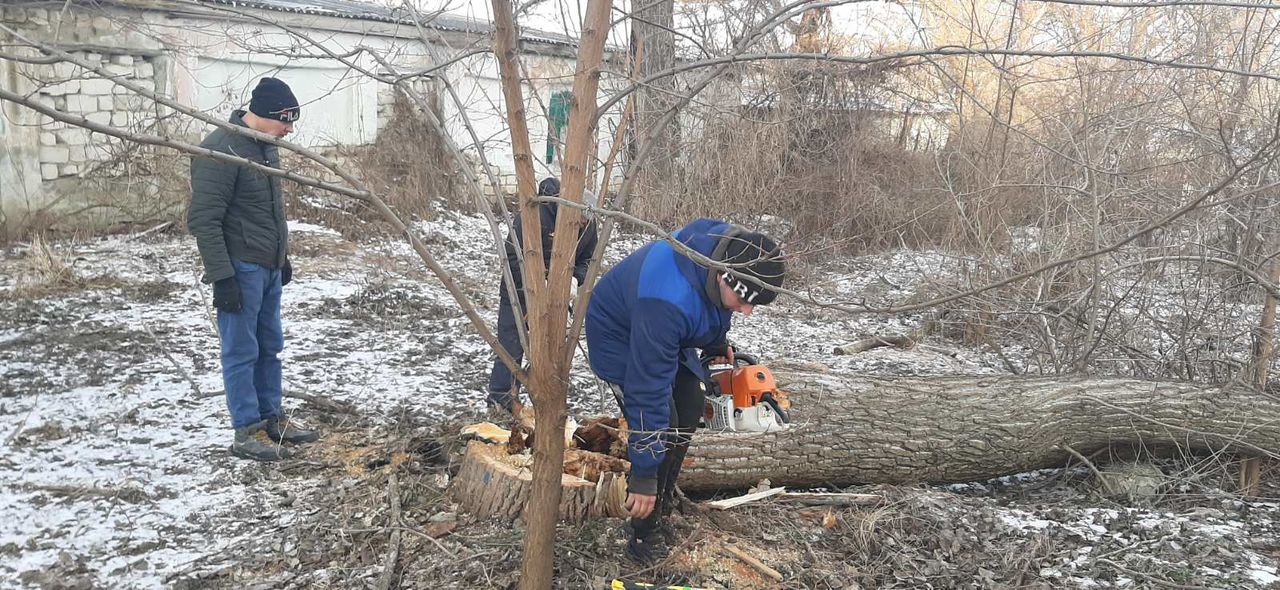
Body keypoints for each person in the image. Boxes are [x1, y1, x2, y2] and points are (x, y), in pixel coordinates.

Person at [584, 219, 785, 562]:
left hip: (659, 329)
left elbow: (709, 303)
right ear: (724, 276)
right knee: (665, 419)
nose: (748, 311)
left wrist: (715, 342)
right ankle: (643, 531)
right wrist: (645, 473)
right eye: (745, 300)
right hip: (620, 336)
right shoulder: (666, 299)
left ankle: (662, 503)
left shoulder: (726, 248)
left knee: (690, 405)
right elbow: (648, 390)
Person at [188, 77, 318, 462]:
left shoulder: (265, 148)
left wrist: (283, 256)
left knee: (270, 347)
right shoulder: (219, 150)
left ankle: (271, 417)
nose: (290, 129)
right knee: (241, 351)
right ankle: (246, 430)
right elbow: (204, 220)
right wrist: (222, 277)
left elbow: (268, 211)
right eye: (286, 120)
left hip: (268, 267)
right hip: (240, 269)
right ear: (263, 115)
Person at [485, 177, 599, 414]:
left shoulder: (588, 225)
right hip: (520, 290)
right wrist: (539, 281)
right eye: (578, 219)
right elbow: (513, 257)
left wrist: (575, 278)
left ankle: (544, 398)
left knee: (550, 346)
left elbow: (589, 258)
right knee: (512, 342)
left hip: (558, 297)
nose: (580, 225)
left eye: (585, 222)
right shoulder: (536, 213)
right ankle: (500, 398)